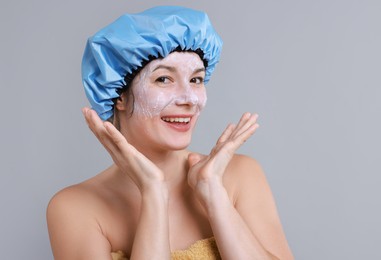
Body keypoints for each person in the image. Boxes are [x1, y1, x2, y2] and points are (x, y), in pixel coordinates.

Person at [47, 6, 293, 260]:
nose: (189, 99)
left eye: (196, 80)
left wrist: (214, 196)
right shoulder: (75, 208)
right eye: (164, 79)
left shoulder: (240, 175)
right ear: (119, 95)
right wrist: (153, 192)